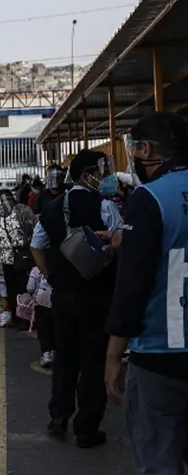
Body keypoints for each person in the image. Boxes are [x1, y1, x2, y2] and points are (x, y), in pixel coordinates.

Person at [103, 112, 188, 473]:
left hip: (161, 352)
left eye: (134, 148)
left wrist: (113, 354)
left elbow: (133, 285)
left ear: (146, 149)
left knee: (159, 460)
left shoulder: (149, 198)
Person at [30, 149, 120, 448]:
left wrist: (52, 277)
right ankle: (86, 429)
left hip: (64, 296)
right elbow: (121, 243)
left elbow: (37, 246)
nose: (106, 178)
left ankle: (58, 418)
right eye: (102, 171)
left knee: (65, 358)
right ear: (86, 175)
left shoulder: (53, 208)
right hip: (98, 296)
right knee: (93, 361)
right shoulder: (106, 207)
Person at [0, 189, 36, 326]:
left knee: (23, 287)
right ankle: (15, 317)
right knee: (11, 289)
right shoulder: (0, 218)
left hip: (22, 257)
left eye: (4, 201)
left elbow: (31, 231)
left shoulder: (22, 211)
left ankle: (25, 318)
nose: (2, 205)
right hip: (6, 259)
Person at [28, 267, 54, 368]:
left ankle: (46, 353)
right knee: (54, 328)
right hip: (56, 300)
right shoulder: (57, 267)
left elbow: (30, 287)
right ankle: (54, 351)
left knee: (43, 329)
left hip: (41, 301)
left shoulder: (36, 270)